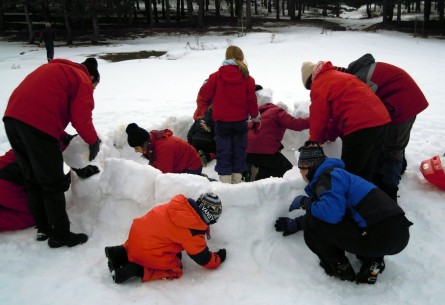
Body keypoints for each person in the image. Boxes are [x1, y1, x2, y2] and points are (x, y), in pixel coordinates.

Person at [275, 144, 412, 284]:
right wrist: (298, 223)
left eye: (300, 170)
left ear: (306, 169)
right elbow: (338, 213)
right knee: (352, 220)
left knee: (312, 225)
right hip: (397, 232)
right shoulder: (340, 176)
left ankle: (341, 268)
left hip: (380, 236)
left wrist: (305, 202)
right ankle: (374, 261)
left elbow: (329, 214)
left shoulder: (326, 177)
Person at [3, 58, 102, 248]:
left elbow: (43, 102)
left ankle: (44, 228)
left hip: (12, 120)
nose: (93, 90)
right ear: (91, 77)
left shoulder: (54, 68)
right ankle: (61, 235)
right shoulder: (81, 78)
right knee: (52, 183)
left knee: (32, 178)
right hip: (39, 124)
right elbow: (81, 118)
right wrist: (93, 140)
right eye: (94, 86)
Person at [342, 53, 429, 201]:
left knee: (393, 150)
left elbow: (364, 108)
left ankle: (390, 191)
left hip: (402, 107)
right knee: (388, 141)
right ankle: (393, 171)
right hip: (401, 103)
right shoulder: (370, 69)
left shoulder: (363, 78)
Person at [104, 193, 226, 284]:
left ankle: (120, 252)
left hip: (135, 236)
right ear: (209, 218)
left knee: (161, 247)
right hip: (147, 249)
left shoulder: (180, 206)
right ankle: (137, 270)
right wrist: (218, 258)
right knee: (176, 267)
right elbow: (203, 258)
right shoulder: (193, 231)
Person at [301, 61, 391, 182]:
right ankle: (367, 198)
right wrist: (328, 137)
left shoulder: (320, 83)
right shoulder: (341, 76)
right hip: (382, 121)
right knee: (367, 170)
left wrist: (314, 142)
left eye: (309, 87)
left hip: (360, 126)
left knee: (349, 173)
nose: (311, 89)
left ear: (310, 80)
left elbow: (319, 116)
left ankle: (349, 199)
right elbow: (337, 117)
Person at [197, 46, 260, 184]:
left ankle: (225, 184)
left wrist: (202, 111)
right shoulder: (248, 79)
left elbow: (204, 94)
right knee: (239, 150)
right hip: (240, 122)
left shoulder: (216, 77)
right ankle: (236, 182)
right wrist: (256, 116)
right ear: (241, 58)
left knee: (223, 150)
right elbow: (251, 100)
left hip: (221, 122)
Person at [0, 148, 100, 232]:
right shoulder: (46, 137)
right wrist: (78, 168)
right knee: (39, 214)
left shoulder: (25, 134)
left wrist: (78, 167)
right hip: (6, 182)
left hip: (8, 174)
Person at [246, 99, 310, 181]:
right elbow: (295, 124)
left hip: (248, 151)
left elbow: (260, 133)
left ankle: (257, 180)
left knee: (268, 167)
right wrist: (314, 120)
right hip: (264, 151)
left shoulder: (260, 113)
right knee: (288, 172)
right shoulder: (278, 111)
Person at [126, 123, 203, 175]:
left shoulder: (163, 148)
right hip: (179, 166)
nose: (136, 151)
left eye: (137, 148)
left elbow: (165, 175)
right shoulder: (151, 142)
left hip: (192, 167)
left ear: (144, 143)